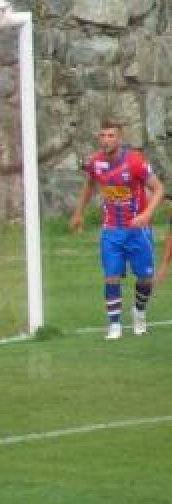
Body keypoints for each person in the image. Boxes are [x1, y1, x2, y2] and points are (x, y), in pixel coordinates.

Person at [69, 117, 164, 338]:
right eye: (102, 135)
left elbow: (158, 189)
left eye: (111, 135)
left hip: (137, 231)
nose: (106, 140)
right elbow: (90, 185)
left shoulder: (135, 161)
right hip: (111, 230)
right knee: (111, 276)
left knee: (145, 278)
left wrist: (146, 214)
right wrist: (78, 213)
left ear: (119, 138)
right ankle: (114, 325)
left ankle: (139, 312)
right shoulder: (96, 162)